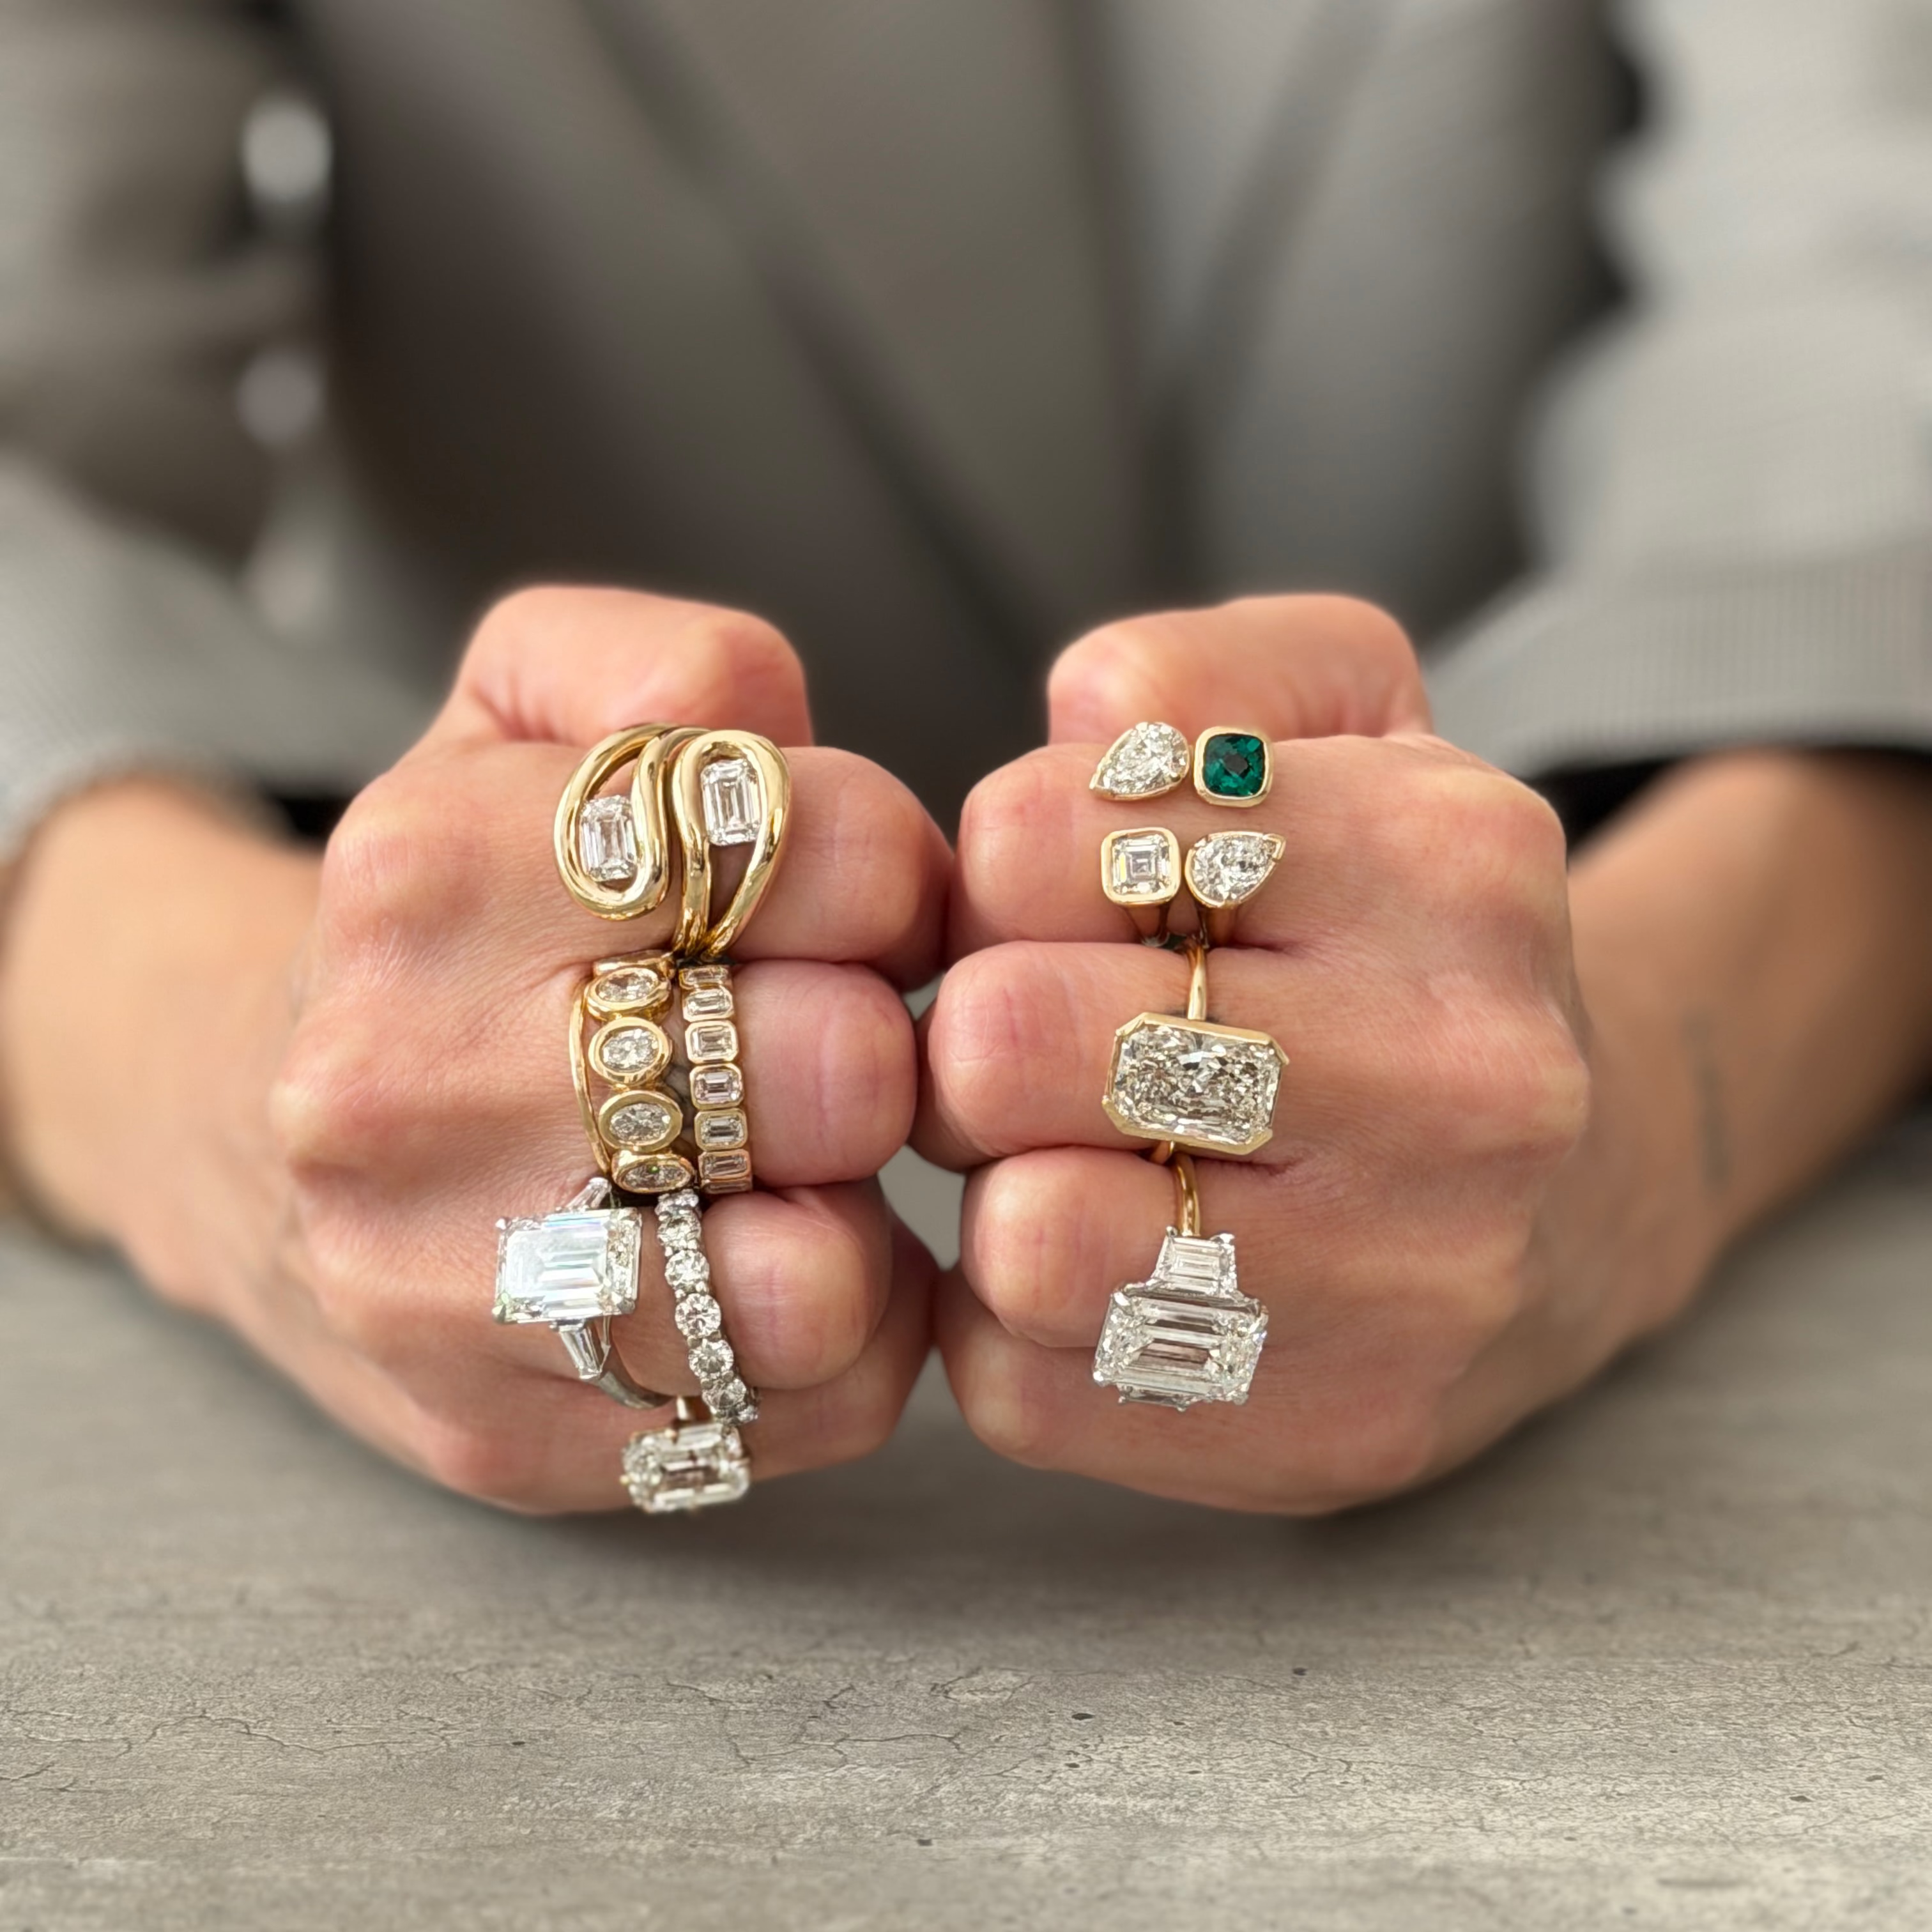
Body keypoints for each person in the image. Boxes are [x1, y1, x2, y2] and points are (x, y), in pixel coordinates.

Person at [1, 1, 1929, 1514]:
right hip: (476, 958)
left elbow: (1875, 304)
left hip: (1593, 872)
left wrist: (1658, 1072)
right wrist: (227, 1058)